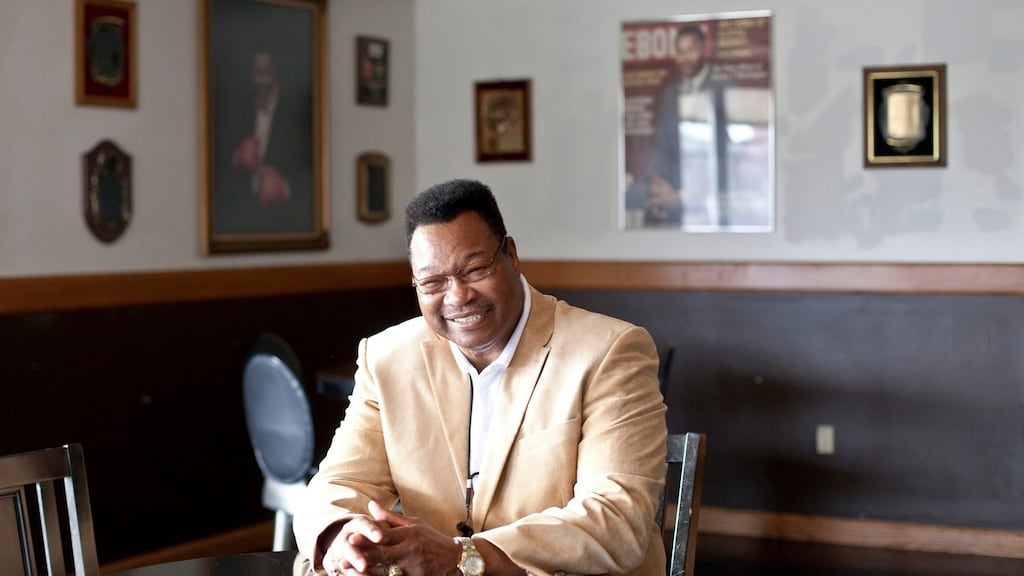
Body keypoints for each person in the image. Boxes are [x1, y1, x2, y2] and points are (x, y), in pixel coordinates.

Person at [294, 179, 668, 576]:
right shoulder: (387, 356)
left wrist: (462, 556)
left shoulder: (611, 350)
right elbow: (339, 482)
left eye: (473, 270)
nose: (456, 297)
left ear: (511, 255)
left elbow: (616, 521)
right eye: (433, 283)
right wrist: (345, 535)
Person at [627, 24, 725, 227]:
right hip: (670, 181)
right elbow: (661, 145)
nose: (685, 58)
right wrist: (656, 181)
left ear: (704, 50)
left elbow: (723, 158)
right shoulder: (671, 94)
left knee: (671, 208)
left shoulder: (723, 89)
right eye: (680, 52)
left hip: (704, 186)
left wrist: (683, 195)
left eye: (691, 50)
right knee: (632, 197)